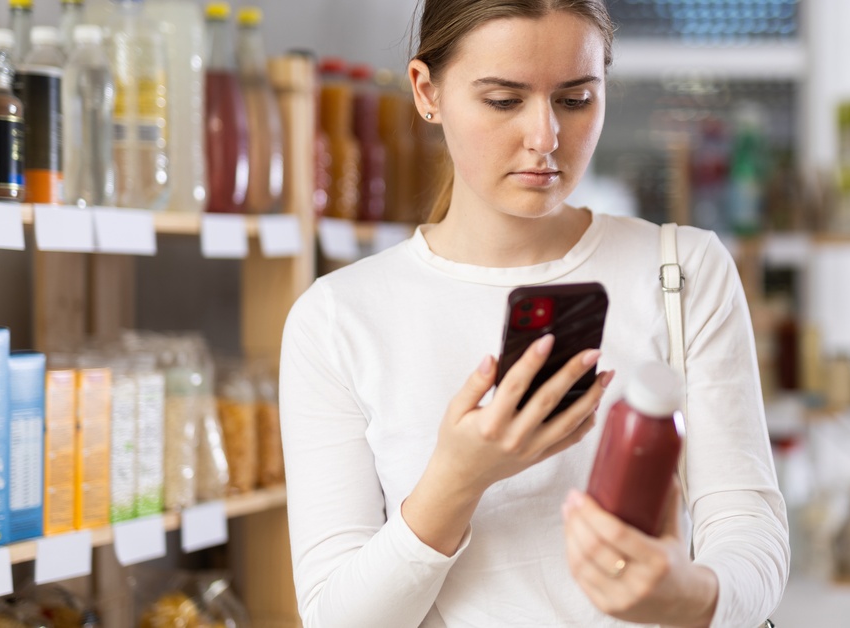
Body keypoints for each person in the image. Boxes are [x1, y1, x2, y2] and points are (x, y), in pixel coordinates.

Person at [279, 1, 789, 625]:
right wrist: (458, 479)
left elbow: (749, 531)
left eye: (575, 100)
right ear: (426, 91)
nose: (544, 138)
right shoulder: (336, 319)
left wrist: (685, 595)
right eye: (503, 101)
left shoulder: (683, 270)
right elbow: (337, 618)